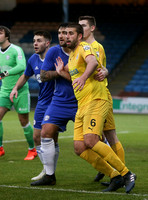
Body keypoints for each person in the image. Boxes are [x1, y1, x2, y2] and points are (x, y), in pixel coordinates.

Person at [55, 23, 135, 193]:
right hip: (82, 105)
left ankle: (127, 173)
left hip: (96, 100)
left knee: (92, 140)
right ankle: (114, 176)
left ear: (79, 36)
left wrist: (84, 77)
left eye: (71, 33)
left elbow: (92, 62)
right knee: (79, 148)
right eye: (65, 33)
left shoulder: (85, 47)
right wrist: (62, 72)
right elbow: (74, 77)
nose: (67, 36)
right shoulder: (71, 56)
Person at [78, 15, 127, 182]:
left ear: (92, 28)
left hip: (99, 96)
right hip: (91, 96)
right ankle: (111, 169)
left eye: (83, 26)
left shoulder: (95, 47)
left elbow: (98, 69)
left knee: (108, 136)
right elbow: (103, 68)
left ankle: (120, 173)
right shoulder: (82, 47)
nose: (80, 29)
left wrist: (104, 71)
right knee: (101, 137)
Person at [30, 23, 78, 186]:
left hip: (82, 100)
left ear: (75, 35)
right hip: (59, 101)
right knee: (45, 133)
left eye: (66, 33)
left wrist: (62, 73)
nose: (62, 36)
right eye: (60, 33)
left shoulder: (82, 51)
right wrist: (58, 72)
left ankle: (112, 172)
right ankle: (49, 175)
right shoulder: (54, 52)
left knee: (88, 143)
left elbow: (85, 77)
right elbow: (43, 75)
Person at [0, 25, 36, 161]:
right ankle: (0, 149)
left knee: (24, 121)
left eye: (0, 33)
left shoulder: (16, 50)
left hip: (20, 90)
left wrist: (4, 73)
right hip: (5, 91)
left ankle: (32, 150)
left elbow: (22, 66)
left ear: (7, 36)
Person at [10, 30, 56, 180]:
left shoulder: (56, 58)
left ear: (47, 43)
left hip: (58, 102)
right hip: (42, 103)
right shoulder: (33, 60)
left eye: (39, 41)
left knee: (54, 138)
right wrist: (15, 88)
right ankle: (47, 171)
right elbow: (25, 75)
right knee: (37, 137)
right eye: (34, 40)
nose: (35, 43)